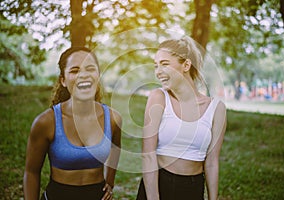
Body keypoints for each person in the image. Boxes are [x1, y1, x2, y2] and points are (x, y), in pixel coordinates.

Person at [23, 47, 122, 200]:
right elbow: (31, 172)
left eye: (90, 69)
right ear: (63, 80)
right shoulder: (46, 122)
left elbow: (116, 148)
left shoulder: (113, 118)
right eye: (75, 71)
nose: (84, 75)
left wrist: (110, 181)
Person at [136, 36, 227, 200]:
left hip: (193, 188)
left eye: (164, 64)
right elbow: (148, 154)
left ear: (186, 65)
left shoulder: (216, 109)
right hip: (160, 185)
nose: (158, 72)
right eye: (156, 66)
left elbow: (212, 162)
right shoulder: (158, 98)